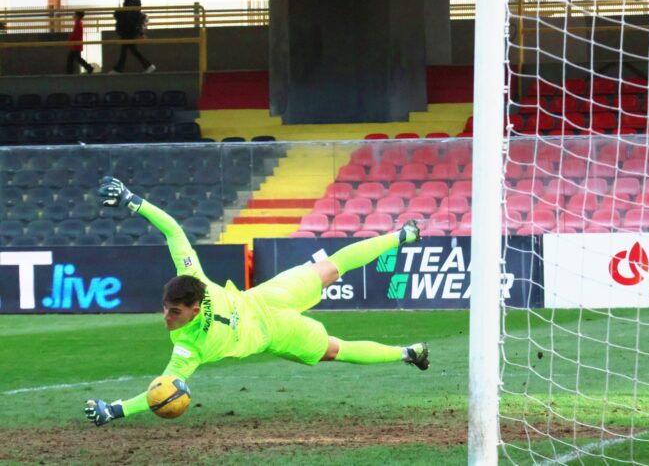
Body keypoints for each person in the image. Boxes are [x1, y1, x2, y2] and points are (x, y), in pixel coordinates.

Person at [84, 176, 429, 426]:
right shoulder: (196, 280)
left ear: (192, 307)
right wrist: (133, 200)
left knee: (335, 346)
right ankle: (403, 237)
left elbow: (163, 390)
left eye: (174, 312)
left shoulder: (190, 347)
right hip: (271, 296)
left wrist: (114, 410)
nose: (167, 317)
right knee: (331, 268)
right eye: (166, 309)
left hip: (277, 329)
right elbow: (174, 231)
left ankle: (407, 352)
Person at [110, 0, 155, 74]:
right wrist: (140, 32)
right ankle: (148, 66)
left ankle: (119, 69)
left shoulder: (128, 4)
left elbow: (127, 17)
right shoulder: (136, 4)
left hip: (128, 30)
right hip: (132, 30)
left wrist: (117, 13)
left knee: (127, 50)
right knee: (131, 50)